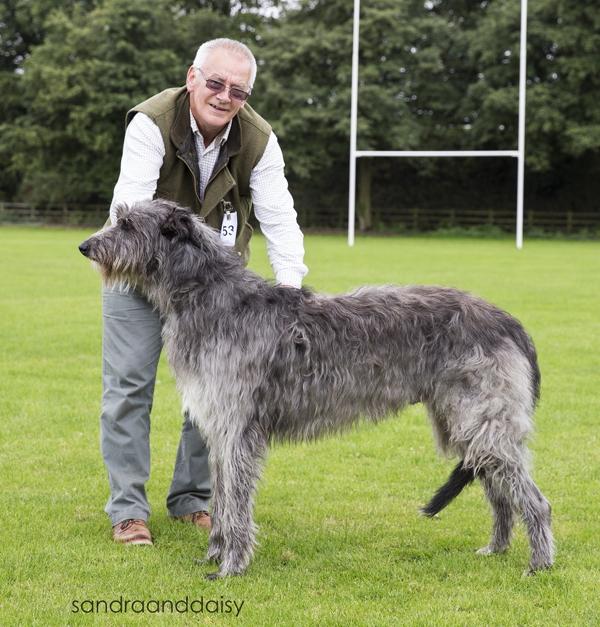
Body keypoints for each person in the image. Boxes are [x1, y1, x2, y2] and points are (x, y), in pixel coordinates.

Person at [102, 38, 308, 545]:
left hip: (216, 284)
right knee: (128, 388)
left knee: (215, 393)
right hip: (139, 270)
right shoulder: (151, 122)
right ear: (192, 76)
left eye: (238, 91)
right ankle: (128, 510)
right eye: (215, 83)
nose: (224, 96)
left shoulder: (259, 139)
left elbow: (280, 216)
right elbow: (129, 206)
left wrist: (291, 292)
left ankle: (191, 501)